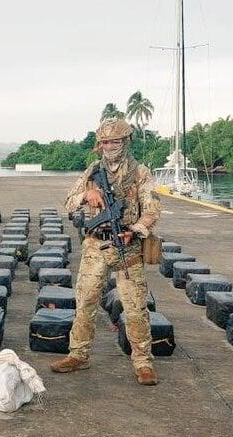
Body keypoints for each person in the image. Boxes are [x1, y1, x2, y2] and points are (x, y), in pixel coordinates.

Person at [50, 118, 162, 385]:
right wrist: (86, 196)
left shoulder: (139, 173)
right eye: (104, 142)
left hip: (127, 245)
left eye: (114, 141)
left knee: (135, 307)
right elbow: (69, 202)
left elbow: (152, 210)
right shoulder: (92, 171)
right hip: (95, 245)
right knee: (85, 301)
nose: (109, 146)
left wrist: (134, 230)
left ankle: (143, 362)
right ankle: (78, 354)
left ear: (126, 141)